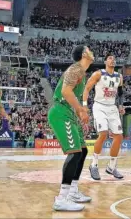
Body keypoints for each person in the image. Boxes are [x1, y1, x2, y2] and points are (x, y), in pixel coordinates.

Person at [47, 45, 94, 211]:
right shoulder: (76, 69)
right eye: (89, 50)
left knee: (83, 150)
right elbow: (66, 92)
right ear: (84, 54)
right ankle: (61, 198)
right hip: (60, 112)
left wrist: (81, 115)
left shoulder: (82, 72)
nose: (92, 52)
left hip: (70, 113)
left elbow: (72, 96)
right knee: (74, 152)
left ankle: (73, 191)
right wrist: (81, 110)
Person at [82, 53, 125, 181]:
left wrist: (121, 105)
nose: (113, 60)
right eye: (110, 58)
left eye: (114, 58)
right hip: (99, 106)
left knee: (119, 136)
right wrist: (84, 106)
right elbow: (87, 89)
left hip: (112, 107)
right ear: (105, 61)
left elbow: (121, 93)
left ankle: (111, 167)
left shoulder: (119, 76)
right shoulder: (98, 74)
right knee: (103, 133)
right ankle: (94, 164)